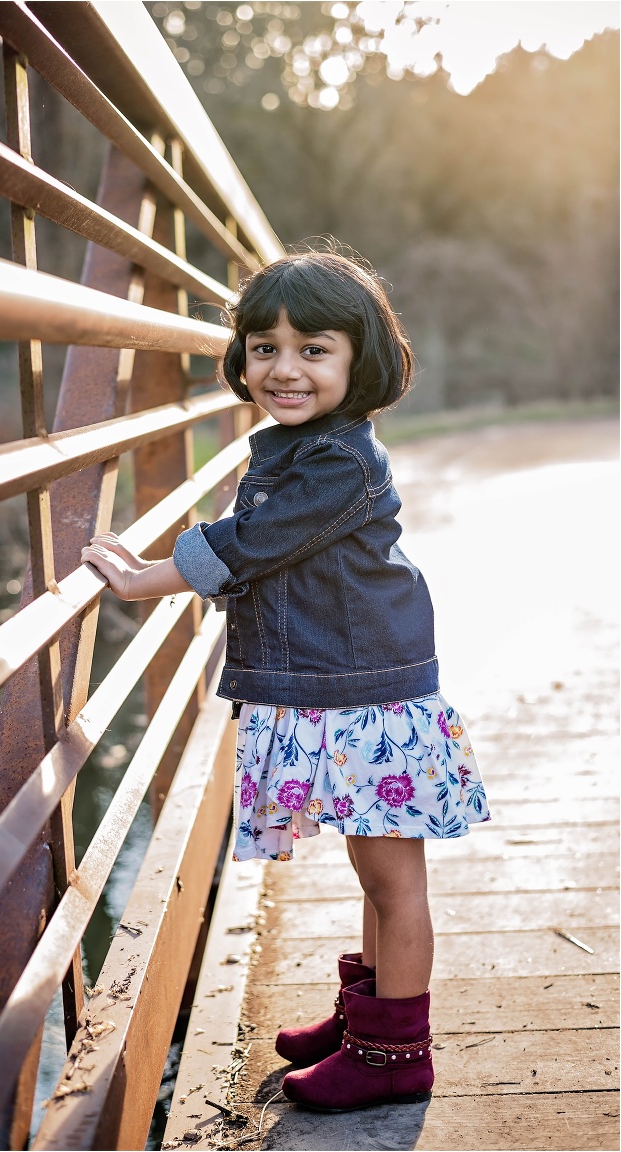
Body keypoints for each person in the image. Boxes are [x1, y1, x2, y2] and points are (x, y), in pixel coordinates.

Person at [81, 249, 490, 1113]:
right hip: (343, 680)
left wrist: (146, 575)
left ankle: (393, 1056)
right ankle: (366, 1018)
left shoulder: (341, 462)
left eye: (314, 349)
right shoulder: (303, 445)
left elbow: (252, 543)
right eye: (263, 347)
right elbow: (254, 530)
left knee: (394, 880)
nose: (284, 368)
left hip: (366, 690)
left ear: (360, 358)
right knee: (372, 871)